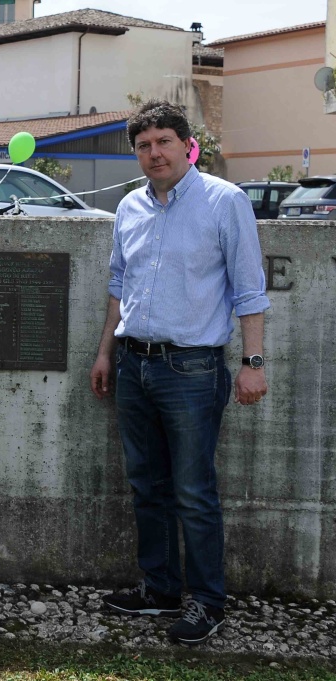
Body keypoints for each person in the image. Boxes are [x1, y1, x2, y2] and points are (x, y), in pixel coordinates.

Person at [89, 100, 270, 646]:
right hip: (133, 364)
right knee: (147, 486)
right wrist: (105, 353)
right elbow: (119, 286)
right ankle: (160, 589)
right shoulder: (129, 207)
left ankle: (208, 602)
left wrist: (253, 363)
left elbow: (249, 289)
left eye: (164, 141)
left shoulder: (224, 201)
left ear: (187, 146)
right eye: (144, 146)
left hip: (192, 369)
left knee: (194, 491)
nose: (154, 153)